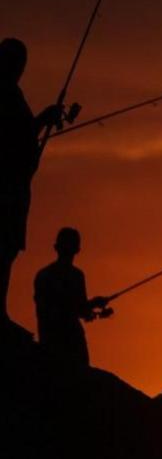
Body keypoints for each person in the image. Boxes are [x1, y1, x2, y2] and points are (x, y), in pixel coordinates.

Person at [1, 37, 63, 327]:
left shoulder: (14, 93)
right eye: (17, 63)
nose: (20, 69)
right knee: (3, 247)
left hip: (16, 186)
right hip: (7, 188)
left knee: (8, 248)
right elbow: (17, 136)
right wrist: (44, 118)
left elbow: (23, 136)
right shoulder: (5, 94)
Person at [33, 227, 111, 367]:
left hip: (48, 337)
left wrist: (91, 308)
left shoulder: (43, 275)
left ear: (56, 247)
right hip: (71, 340)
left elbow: (46, 309)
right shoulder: (76, 276)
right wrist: (95, 303)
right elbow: (79, 309)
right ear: (77, 250)